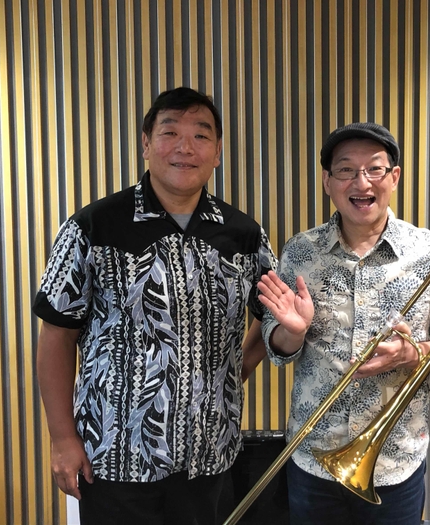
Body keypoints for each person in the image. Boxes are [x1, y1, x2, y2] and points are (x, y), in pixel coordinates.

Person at [33, 87, 276, 525]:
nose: (185, 147)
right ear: (146, 144)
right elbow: (56, 334)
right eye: (170, 133)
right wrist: (62, 438)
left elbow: (272, 315)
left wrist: (234, 369)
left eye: (201, 135)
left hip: (209, 455)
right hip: (115, 457)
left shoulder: (245, 236)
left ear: (217, 152)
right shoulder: (94, 227)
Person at [257, 122, 430, 525]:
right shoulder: (300, 251)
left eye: (374, 169)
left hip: (395, 461)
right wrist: (292, 332)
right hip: (312, 456)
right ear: (328, 182)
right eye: (346, 169)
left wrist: (415, 354)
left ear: (394, 177)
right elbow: (275, 348)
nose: (361, 182)